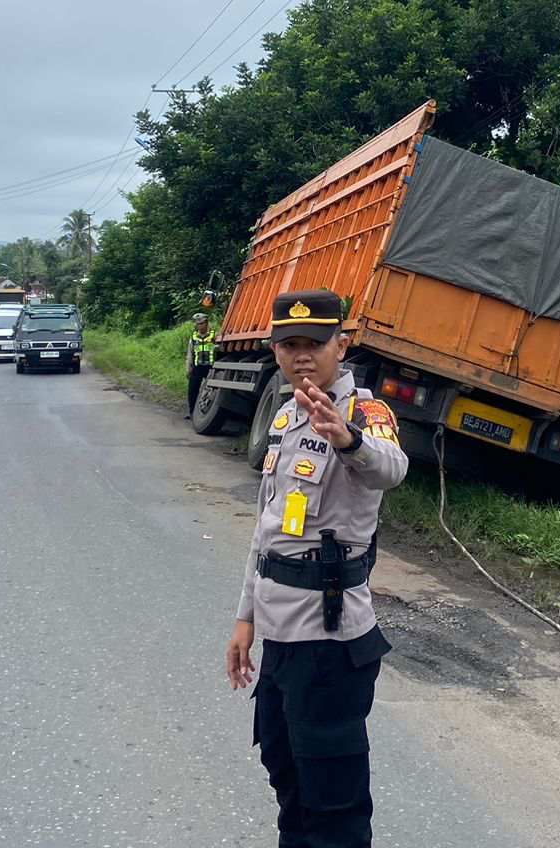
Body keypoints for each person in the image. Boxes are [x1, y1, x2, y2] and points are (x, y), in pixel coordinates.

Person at [225, 288, 408, 848]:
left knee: (334, 804)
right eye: (290, 345)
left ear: (341, 345)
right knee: (287, 778)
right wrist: (245, 619)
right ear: (276, 350)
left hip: (330, 641)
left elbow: (391, 469)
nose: (302, 355)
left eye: (316, 343)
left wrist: (348, 441)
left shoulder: (365, 413)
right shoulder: (285, 416)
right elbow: (267, 531)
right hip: (280, 634)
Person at [185, 311, 217, 419]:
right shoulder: (194, 337)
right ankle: (192, 412)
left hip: (210, 367)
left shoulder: (214, 335)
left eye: (202, 323)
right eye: (198, 324)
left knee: (210, 391)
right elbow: (190, 353)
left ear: (206, 323)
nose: (200, 326)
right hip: (197, 366)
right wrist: (188, 368)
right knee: (192, 390)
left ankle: (206, 413)